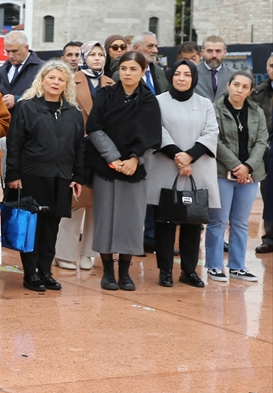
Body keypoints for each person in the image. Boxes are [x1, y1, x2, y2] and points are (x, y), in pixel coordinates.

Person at [5, 61, 87, 292]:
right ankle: (30, 273)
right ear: (42, 80)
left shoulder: (73, 111)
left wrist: (79, 177)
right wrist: (13, 173)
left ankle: (46, 272)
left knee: (52, 227)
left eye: (61, 79)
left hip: (60, 178)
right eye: (51, 78)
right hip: (32, 175)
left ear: (66, 84)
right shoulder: (26, 107)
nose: (55, 82)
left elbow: (80, 146)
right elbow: (15, 142)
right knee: (32, 227)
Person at [87, 51, 162, 291]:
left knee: (131, 221)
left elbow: (152, 137)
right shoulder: (106, 94)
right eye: (124, 68)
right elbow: (95, 128)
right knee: (105, 219)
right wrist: (114, 158)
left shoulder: (150, 101)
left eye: (133, 69)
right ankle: (107, 271)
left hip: (135, 170)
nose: (128, 73)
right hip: (106, 166)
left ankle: (125, 272)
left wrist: (134, 160)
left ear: (142, 72)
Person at [145, 60, 217, 288]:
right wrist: (178, 156)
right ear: (171, 76)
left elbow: (211, 132)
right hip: (166, 169)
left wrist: (190, 157)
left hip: (196, 171)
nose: (182, 78)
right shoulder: (158, 102)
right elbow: (157, 130)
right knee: (164, 222)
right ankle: (165, 270)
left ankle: (189, 270)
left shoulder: (205, 103)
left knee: (193, 223)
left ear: (194, 78)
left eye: (187, 74)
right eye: (177, 74)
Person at [55, 41, 115, 271]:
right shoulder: (71, 80)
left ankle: (90, 252)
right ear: (83, 57)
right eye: (92, 54)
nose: (98, 58)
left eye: (101, 54)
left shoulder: (111, 83)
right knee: (75, 202)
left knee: (97, 204)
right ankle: (64, 252)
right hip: (77, 147)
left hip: (103, 150)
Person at [207, 71, 268, 283]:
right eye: (236, 85)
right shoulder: (214, 110)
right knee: (218, 221)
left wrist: (248, 167)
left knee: (240, 223)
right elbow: (215, 140)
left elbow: (262, 142)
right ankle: (214, 266)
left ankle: (237, 266)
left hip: (249, 176)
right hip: (222, 174)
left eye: (244, 87)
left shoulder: (257, 112)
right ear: (228, 85)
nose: (239, 90)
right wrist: (236, 166)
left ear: (250, 91)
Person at [0, 31, 44, 114]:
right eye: (7, 51)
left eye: (14, 51)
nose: (10, 55)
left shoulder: (42, 69)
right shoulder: (2, 70)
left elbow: (46, 98)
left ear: (26, 48)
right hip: (6, 122)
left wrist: (17, 100)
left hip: (29, 122)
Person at [253, 54, 273, 255]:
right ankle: (270, 238)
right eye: (272, 65)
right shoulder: (258, 93)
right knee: (269, 195)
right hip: (267, 151)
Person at [195, 36, 234, 101]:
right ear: (202, 53)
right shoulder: (191, 73)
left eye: (218, 51)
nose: (214, 55)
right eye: (209, 51)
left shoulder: (233, 75)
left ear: (224, 53)